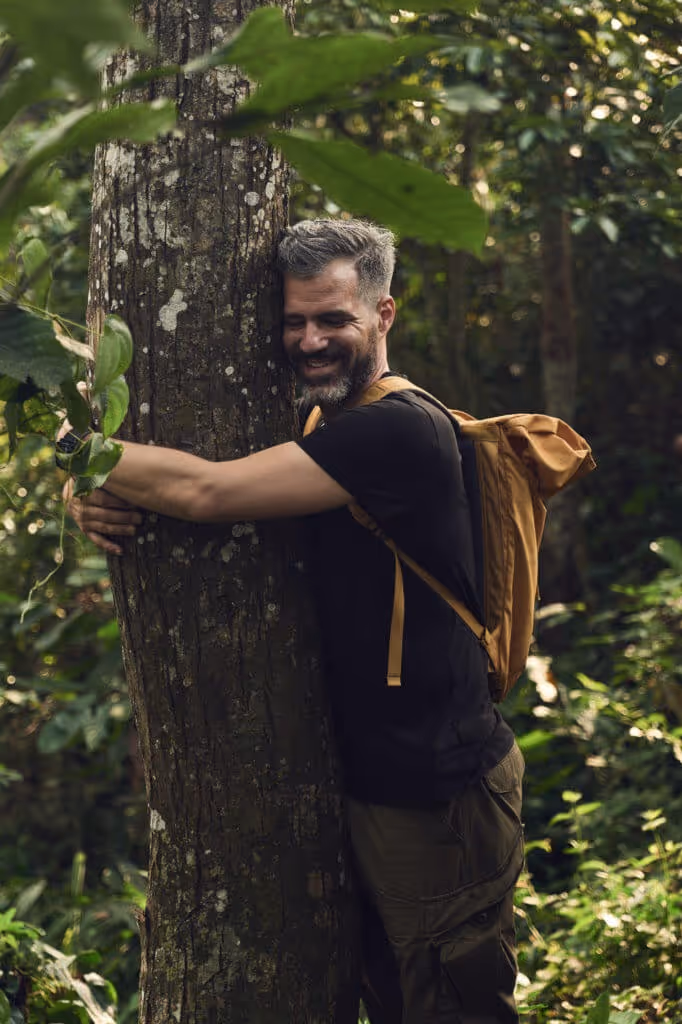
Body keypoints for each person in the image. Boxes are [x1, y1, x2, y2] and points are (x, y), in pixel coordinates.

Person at [66, 218, 525, 1024]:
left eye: (333, 319)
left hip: (436, 798)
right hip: (372, 787)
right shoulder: (324, 422)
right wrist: (91, 491)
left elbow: (206, 492)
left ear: (383, 315)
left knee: (450, 1008)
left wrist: (78, 447)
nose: (310, 340)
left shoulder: (398, 431)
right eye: (293, 321)